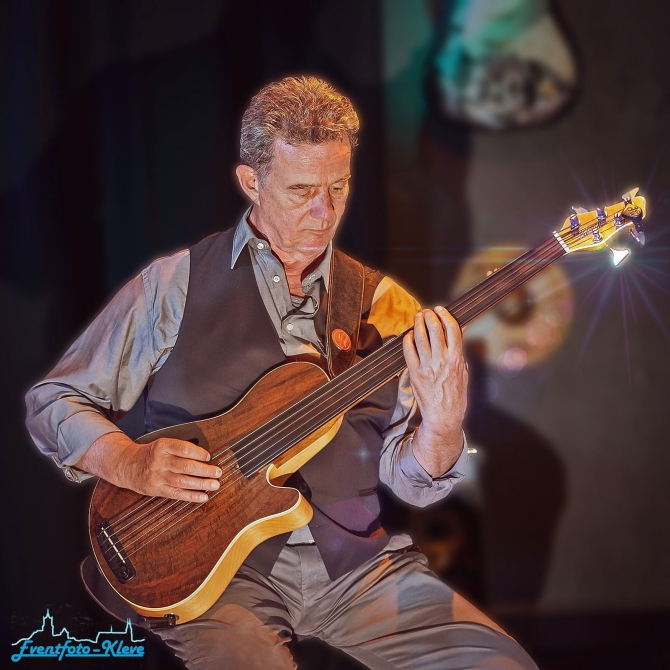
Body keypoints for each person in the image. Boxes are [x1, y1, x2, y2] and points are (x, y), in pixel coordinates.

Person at [25, 76, 537, 670]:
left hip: (355, 567)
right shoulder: (175, 283)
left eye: (338, 188)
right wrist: (127, 461)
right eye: (301, 191)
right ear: (252, 183)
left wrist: (444, 422)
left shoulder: (386, 307)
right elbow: (53, 400)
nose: (324, 212)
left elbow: (411, 482)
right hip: (215, 577)